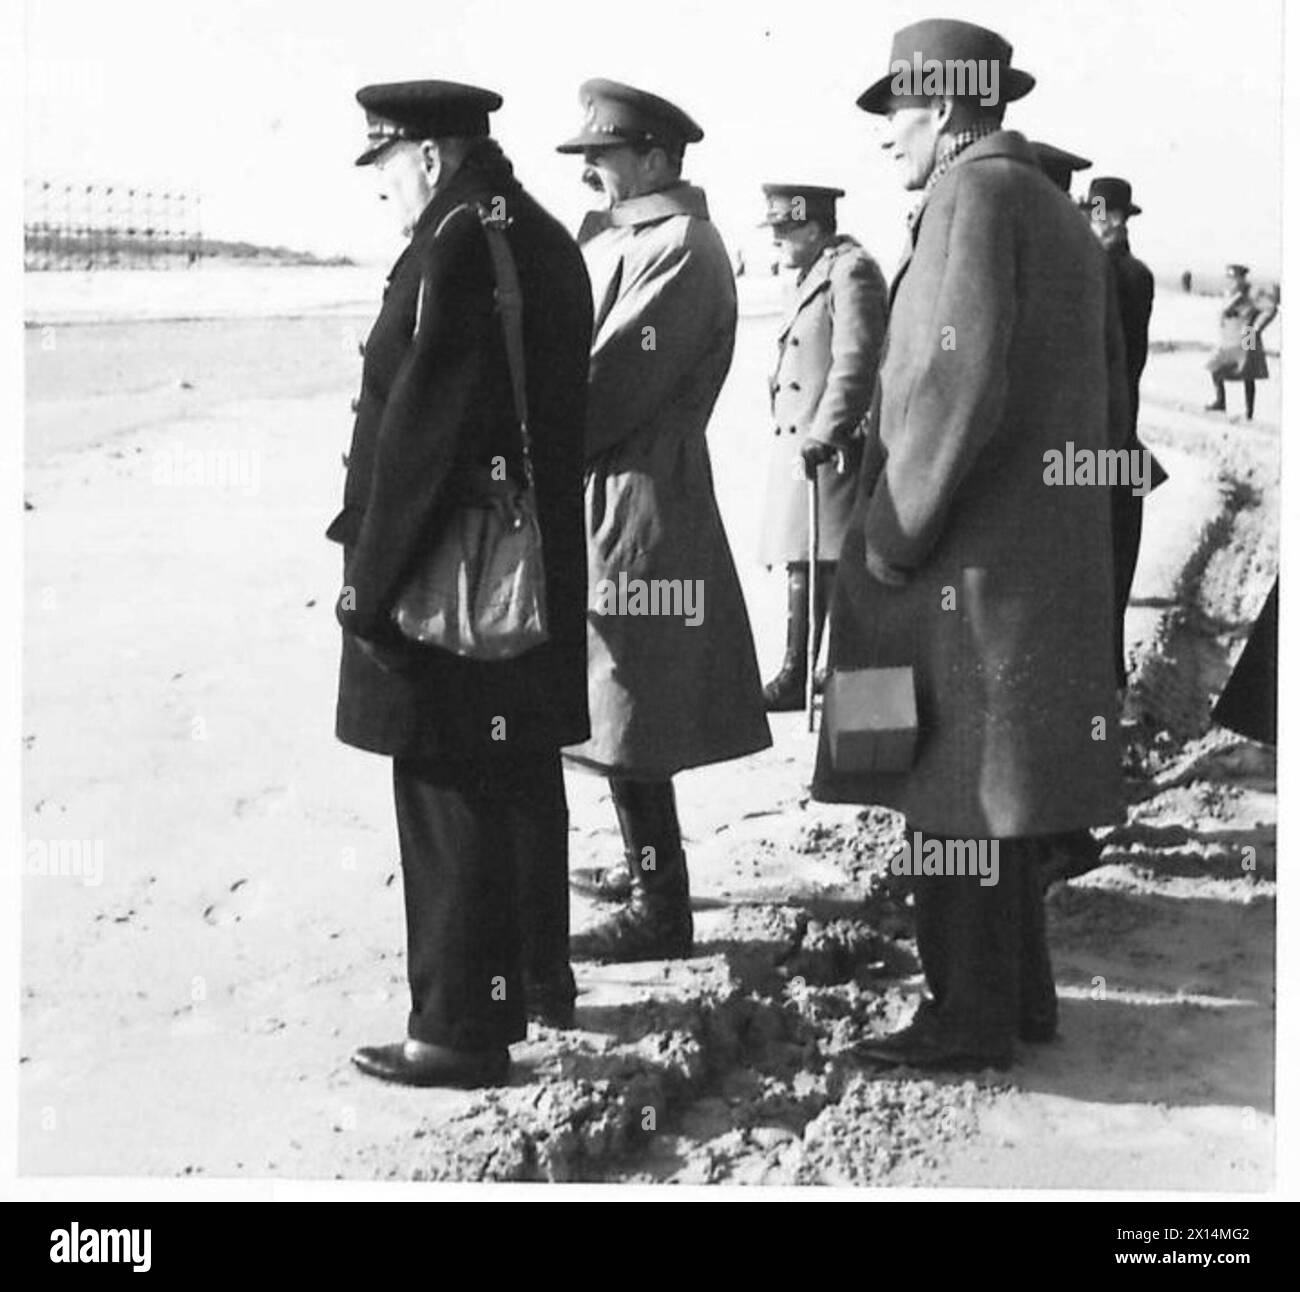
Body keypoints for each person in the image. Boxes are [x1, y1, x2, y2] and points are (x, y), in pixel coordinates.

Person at [814, 19, 1128, 1070]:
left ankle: (967, 1015)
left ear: (943, 106)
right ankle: (1020, 996)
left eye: (895, 113)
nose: (886, 137)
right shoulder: (1039, 199)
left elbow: (956, 385)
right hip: (1018, 563)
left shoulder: (971, 195)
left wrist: (892, 537)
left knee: (949, 797)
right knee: (995, 795)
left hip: (961, 566)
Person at [330, 81, 594, 1088]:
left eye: (385, 165)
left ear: (430, 156)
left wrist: (368, 582)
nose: (383, 188)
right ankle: (533, 977)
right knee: (517, 771)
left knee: (444, 789)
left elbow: (419, 441)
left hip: (453, 583)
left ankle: (456, 1029)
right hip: (527, 569)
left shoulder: (452, 244)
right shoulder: (539, 235)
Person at [555, 79, 771, 958]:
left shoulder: (682, 245)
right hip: (617, 481)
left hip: (641, 488)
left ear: (653, 156)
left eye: (602, 158)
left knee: (628, 694)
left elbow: (610, 387)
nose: (591, 175)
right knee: (611, 692)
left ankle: (660, 906)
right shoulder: (639, 236)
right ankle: (649, 870)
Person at [756, 184, 888, 712]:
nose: (779, 243)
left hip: (830, 449)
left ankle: (819, 673)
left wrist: (826, 432)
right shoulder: (814, 274)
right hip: (803, 442)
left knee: (826, 559)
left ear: (814, 228)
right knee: (801, 558)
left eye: (786, 231)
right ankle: (798, 669)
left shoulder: (850, 272)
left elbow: (855, 361)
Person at [1087, 175, 1169, 689]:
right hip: (1117, 439)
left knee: (1108, 567)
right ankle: (1109, 679)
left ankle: (1108, 682)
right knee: (1111, 562)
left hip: (1107, 440)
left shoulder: (1124, 275)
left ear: (1117, 219)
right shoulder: (1123, 272)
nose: (1092, 223)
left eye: (1098, 215)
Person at [1206, 264, 1278, 420]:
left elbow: (1270, 309)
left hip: (1248, 334)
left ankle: (1249, 412)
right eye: (1229, 278)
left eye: (1234, 278)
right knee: (1215, 366)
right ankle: (1220, 402)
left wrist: (1257, 327)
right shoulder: (1229, 293)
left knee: (1248, 372)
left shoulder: (1253, 293)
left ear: (1242, 278)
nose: (1231, 281)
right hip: (1229, 337)